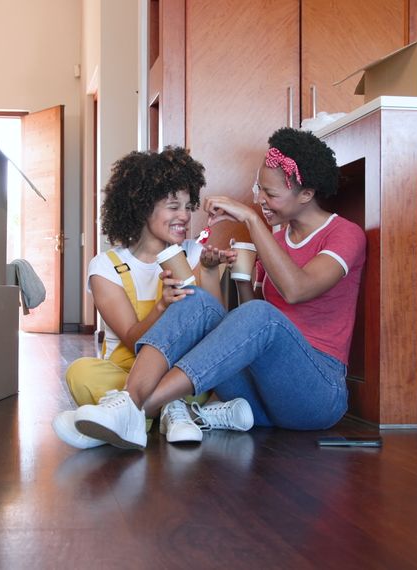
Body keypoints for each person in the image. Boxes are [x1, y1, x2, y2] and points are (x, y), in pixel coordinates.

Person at [70, 127, 366, 450]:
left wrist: (251, 219)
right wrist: (242, 279)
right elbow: (254, 325)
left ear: (306, 194)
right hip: (261, 396)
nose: (260, 200)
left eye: (270, 193)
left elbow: (296, 291)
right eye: (258, 189)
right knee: (197, 299)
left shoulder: (344, 234)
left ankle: (136, 409)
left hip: (317, 393)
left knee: (259, 315)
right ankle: (131, 402)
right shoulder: (276, 240)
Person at [53, 146, 225, 449]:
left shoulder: (194, 254)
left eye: (188, 206)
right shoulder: (106, 266)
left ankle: (125, 416)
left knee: (201, 380)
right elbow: (133, 339)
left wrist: (209, 272)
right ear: (143, 208)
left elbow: (216, 328)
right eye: (173, 206)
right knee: (80, 372)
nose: (185, 216)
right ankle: (169, 409)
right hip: (126, 373)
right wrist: (162, 306)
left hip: (182, 374)